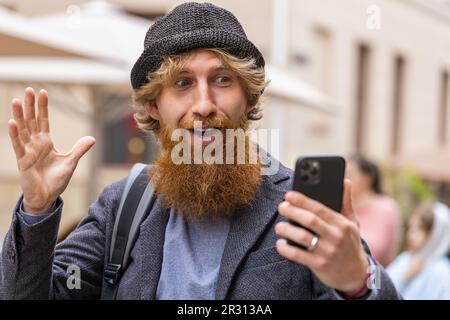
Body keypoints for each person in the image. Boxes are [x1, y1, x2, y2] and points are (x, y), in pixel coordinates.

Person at [0, 2, 400, 300]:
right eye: (182, 83)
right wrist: (37, 209)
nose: (204, 104)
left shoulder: (301, 207)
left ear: (248, 98)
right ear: (154, 106)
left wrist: (358, 282)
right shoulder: (124, 205)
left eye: (222, 80)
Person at [346, 155, 402, 267]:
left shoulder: (385, 207)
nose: (344, 179)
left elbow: (375, 251)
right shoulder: (344, 205)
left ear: (367, 178)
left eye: (349, 175)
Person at [387, 202, 450, 300]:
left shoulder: (442, 271)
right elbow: (381, 289)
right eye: (411, 227)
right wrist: (406, 277)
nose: (411, 234)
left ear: (435, 233)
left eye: (420, 228)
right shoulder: (404, 259)